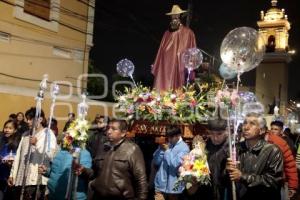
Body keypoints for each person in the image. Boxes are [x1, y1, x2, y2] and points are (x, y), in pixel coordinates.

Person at [81, 119, 148, 200]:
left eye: (113, 129)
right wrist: (83, 170)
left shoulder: (132, 149)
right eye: (108, 128)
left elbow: (141, 179)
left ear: (123, 133)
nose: (109, 131)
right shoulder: (103, 147)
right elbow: (95, 174)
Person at [227, 112, 283, 200]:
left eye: (252, 124)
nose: (246, 127)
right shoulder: (236, 148)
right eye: (245, 123)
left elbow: (273, 181)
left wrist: (243, 177)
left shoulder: (272, 150)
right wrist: (227, 169)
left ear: (262, 130)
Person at [8, 107, 57, 200]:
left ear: (40, 119)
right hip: (21, 179)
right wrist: (12, 174)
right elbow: (18, 156)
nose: (28, 121)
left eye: (30, 119)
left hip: (37, 181)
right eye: (27, 119)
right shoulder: (25, 134)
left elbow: (50, 154)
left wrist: (37, 143)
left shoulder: (48, 133)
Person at [151, 4, 196, 91]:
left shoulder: (188, 33)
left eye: (177, 14)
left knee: (179, 90)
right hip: (166, 66)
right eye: (173, 15)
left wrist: (190, 67)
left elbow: (192, 51)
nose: (175, 16)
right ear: (171, 17)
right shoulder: (166, 33)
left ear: (180, 15)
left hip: (180, 66)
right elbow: (161, 52)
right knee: (165, 89)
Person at [153, 126, 190, 200]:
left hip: (173, 188)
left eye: (171, 137)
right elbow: (156, 161)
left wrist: (167, 151)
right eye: (168, 137)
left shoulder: (184, 148)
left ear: (178, 135)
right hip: (160, 185)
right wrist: (160, 150)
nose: (169, 139)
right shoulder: (167, 144)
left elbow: (174, 164)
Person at [266, 121, 298, 199]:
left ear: (281, 130)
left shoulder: (286, 142)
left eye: (276, 129)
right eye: (272, 129)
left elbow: (290, 164)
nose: (273, 131)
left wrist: (292, 185)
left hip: (281, 179)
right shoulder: (266, 140)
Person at [0, 120, 21, 200]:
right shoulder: (2, 140)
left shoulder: (17, 143)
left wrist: (10, 162)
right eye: (5, 127)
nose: (7, 130)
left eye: (10, 128)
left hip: (9, 178)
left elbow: (17, 160)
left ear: (15, 130)